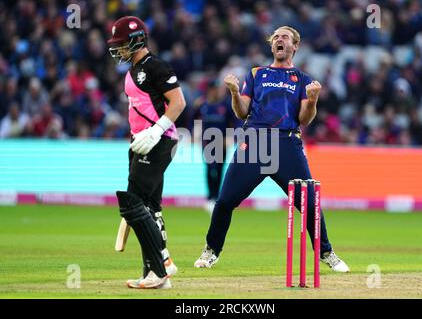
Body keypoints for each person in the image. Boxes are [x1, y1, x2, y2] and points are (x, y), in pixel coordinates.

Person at [194, 26, 349, 273]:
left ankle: (325, 252)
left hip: (287, 143)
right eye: (276, 36)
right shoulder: (256, 74)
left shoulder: (303, 80)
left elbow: (305, 118)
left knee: (309, 203)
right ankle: (211, 250)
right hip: (254, 143)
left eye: (285, 37)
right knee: (224, 201)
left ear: (295, 46)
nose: (279, 39)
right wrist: (234, 92)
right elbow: (242, 111)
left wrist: (314, 99)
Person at [107, 16, 186, 289]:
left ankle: (161, 266)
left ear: (137, 39)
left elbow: (178, 102)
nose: (118, 49)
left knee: (132, 204)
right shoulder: (132, 70)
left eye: (122, 44)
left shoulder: (157, 66)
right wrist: (141, 136)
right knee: (150, 207)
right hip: (140, 142)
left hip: (159, 140)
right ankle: (155, 272)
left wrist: (155, 132)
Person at [193, 79, 234, 214]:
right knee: (210, 168)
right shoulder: (202, 105)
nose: (217, 92)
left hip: (221, 143)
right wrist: (193, 134)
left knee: (220, 169)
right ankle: (210, 196)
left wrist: (229, 137)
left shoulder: (225, 105)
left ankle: (216, 196)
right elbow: (192, 119)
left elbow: (232, 122)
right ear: (210, 90)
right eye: (214, 89)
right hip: (207, 143)